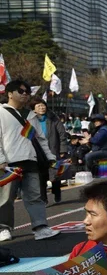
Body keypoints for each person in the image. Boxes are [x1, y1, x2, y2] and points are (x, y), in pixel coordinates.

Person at [0, 79, 59, 240]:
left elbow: (40, 139)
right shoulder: (1, 112)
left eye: (27, 92)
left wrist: (50, 157)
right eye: (21, 91)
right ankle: (3, 228)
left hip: (31, 161)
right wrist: (1, 160)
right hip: (9, 164)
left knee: (35, 196)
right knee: (5, 198)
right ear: (10, 94)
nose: (25, 94)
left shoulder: (31, 115)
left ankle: (40, 227)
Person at [33, 100, 68, 204]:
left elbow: (62, 134)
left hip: (52, 150)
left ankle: (57, 193)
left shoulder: (53, 119)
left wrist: (62, 149)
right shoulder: (30, 120)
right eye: (38, 106)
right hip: (38, 152)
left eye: (43, 105)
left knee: (55, 174)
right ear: (34, 108)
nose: (41, 108)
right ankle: (43, 198)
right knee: (40, 176)